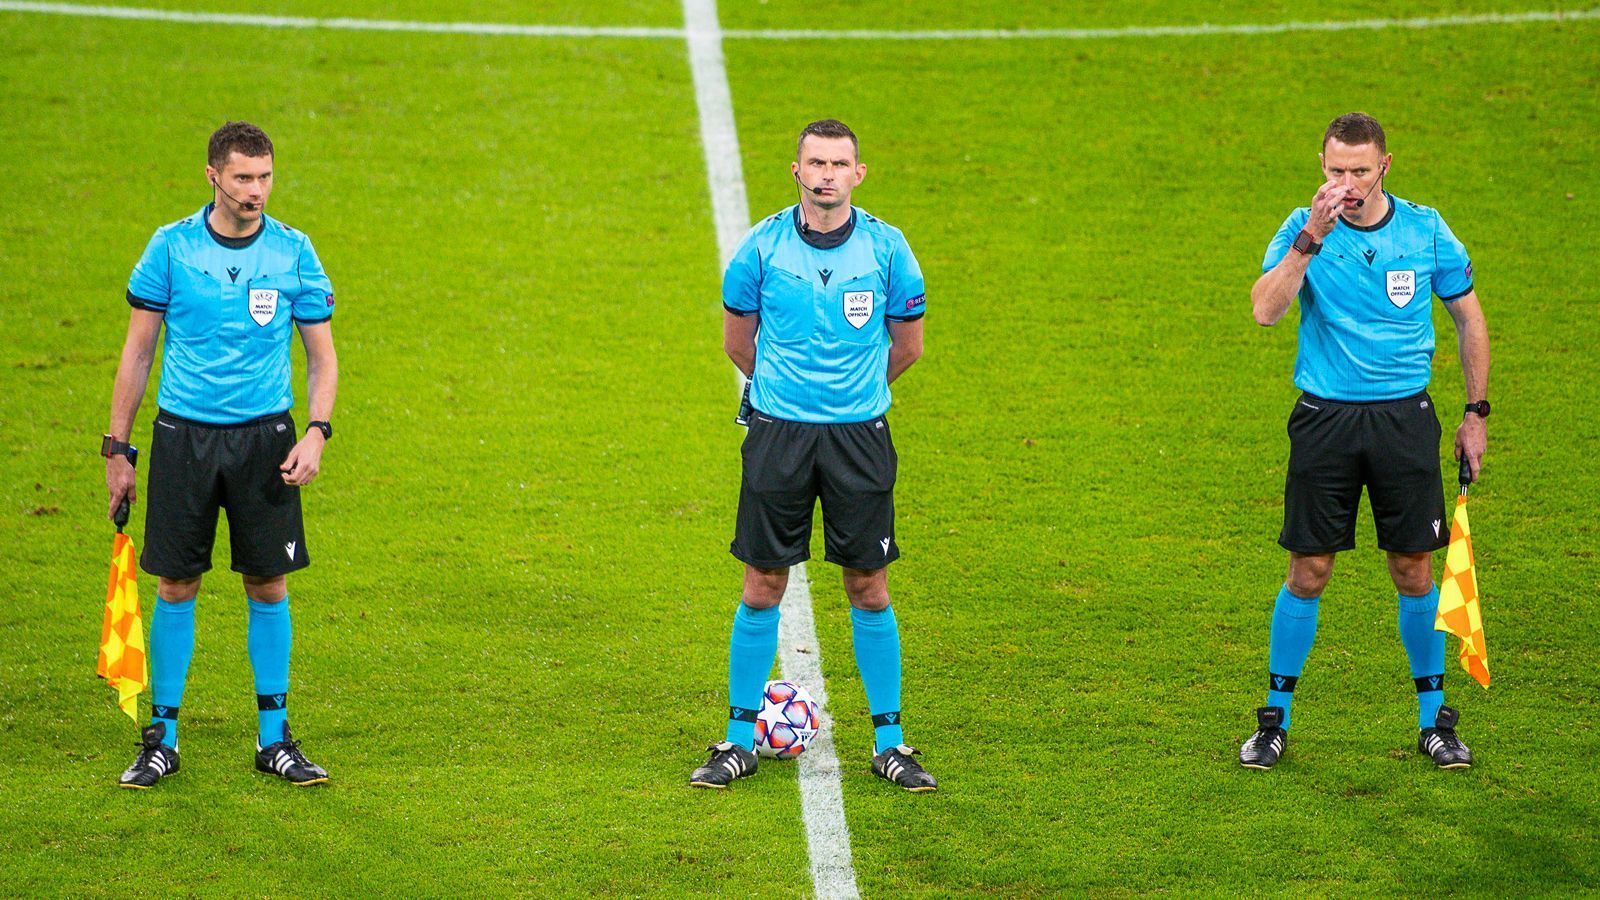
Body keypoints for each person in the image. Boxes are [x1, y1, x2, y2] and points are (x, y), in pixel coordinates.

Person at [689, 119, 935, 791]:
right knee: (762, 582)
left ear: (859, 173)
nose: (826, 174)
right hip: (779, 436)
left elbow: (907, 346)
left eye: (839, 163)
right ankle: (738, 740)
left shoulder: (889, 251)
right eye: (815, 163)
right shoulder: (761, 248)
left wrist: (849, 399)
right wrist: (789, 399)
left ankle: (892, 743)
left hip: (859, 437)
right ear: (796, 171)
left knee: (868, 585)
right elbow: (738, 341)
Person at [1240, 112, 1490, 770]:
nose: (1346, 183)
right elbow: (1265, 310)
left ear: (1385, 167)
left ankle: (1434, 722)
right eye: (1335, 171)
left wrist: (1476, 412)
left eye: (1359, 170)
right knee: (1308, 570)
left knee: (1413, 569)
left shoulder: (1425, 230)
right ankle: (1273, 721)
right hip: (1326, 419)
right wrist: (1309, 242)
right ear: (1321, 166)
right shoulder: (1304, 229)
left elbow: (1468, 318)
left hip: (1405, 422)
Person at [104, 121, 339, 788]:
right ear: (213, 175)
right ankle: (163, 740)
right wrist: (117, 448)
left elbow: (322, 358)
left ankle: (274, 740)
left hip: (266, 441)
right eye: (242, 177)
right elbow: (137, 353)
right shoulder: (171, 249)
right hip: (185, 438)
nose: (255, 190)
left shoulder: (294, 253)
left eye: (264, 177)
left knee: (269, 583)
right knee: (176, 584)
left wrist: (316, 430)